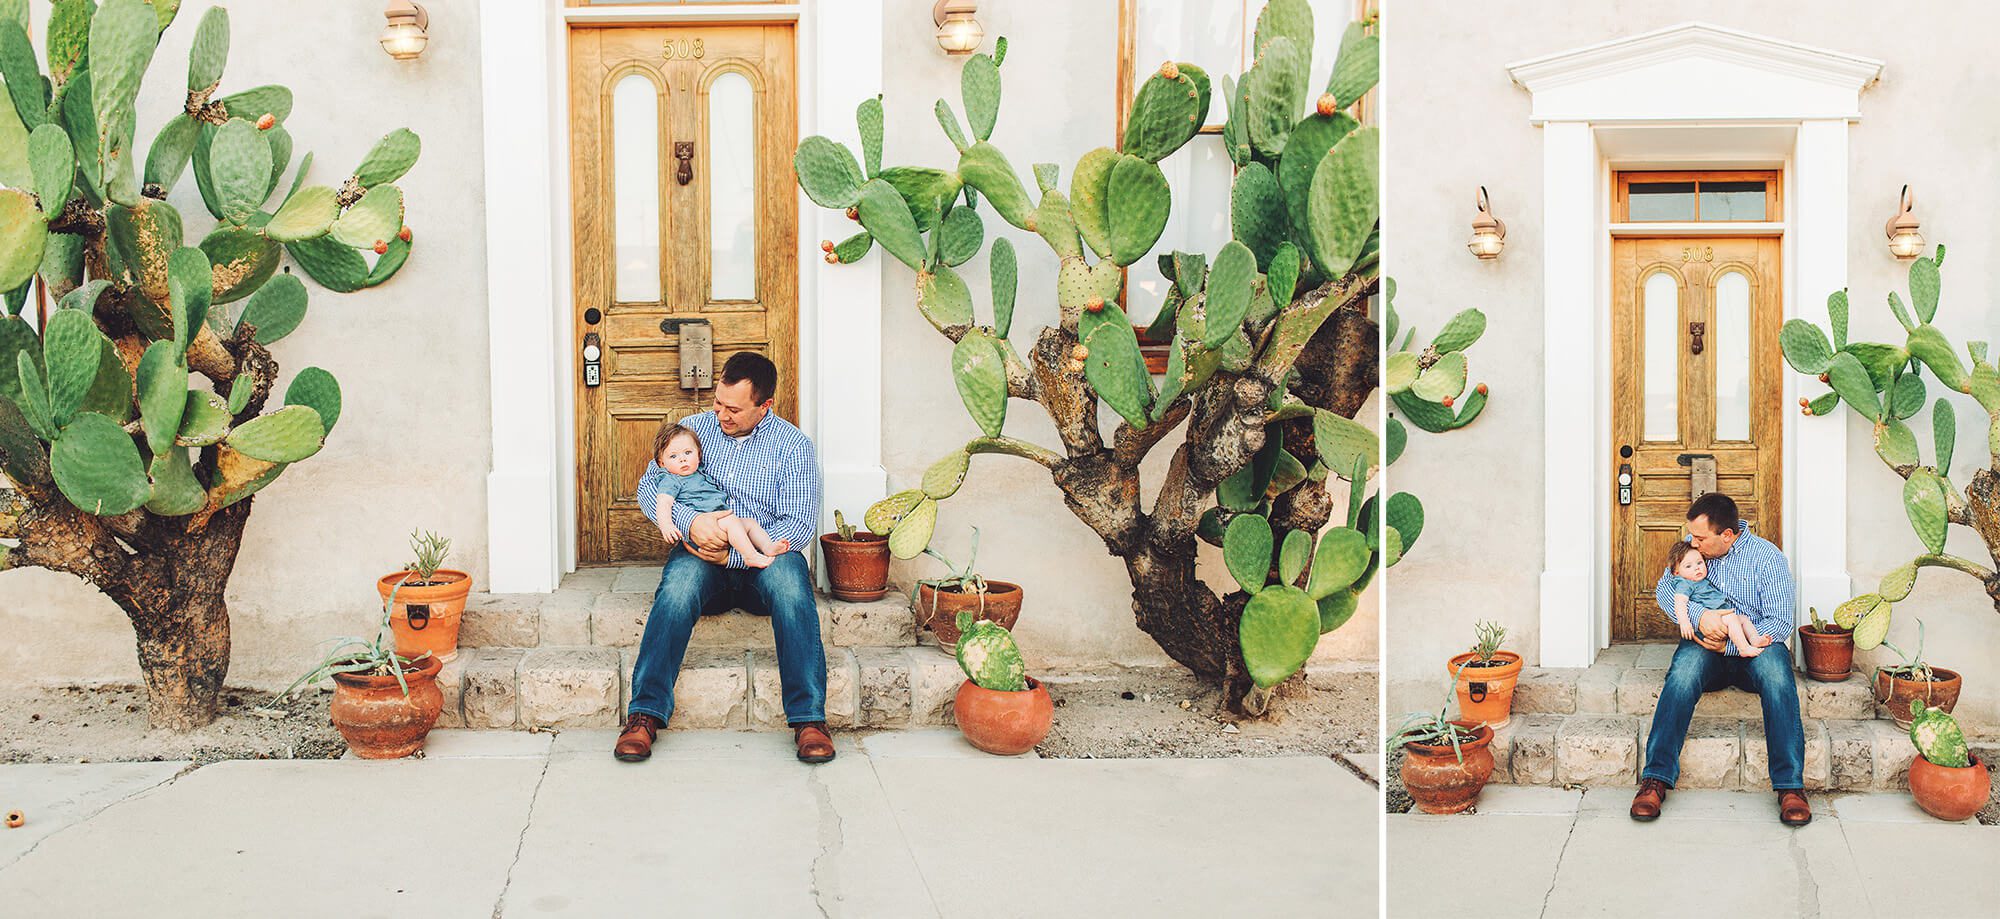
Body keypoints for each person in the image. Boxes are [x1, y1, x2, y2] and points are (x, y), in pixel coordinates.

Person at [614, 352, 831, 765]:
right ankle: (644, 713)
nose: (721, 415)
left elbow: (800, 524)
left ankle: (808, 719)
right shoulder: (692, 430)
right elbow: (649, 487)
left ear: (765, 405)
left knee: (790, 583)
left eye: (733, 409)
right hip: (700, 559)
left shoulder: (794, 446)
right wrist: (691, 524)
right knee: (678, 589)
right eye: (718, 403)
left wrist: (733, 552)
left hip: (762, 560)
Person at [1631, 492, 1810, 826]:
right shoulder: (1691, 551)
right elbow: (1666, 590)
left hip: (1753, 647)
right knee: (1683, 672)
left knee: (1776, 673)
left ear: (1727, 535)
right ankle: (1655, 777)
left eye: (1700, 537)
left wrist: (1729, 644)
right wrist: (1700, 618)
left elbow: (1781, 620)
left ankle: (1790, 786)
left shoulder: (1767, 558)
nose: (1692, 543)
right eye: (1692, 536)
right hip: (1704, 647)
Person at [647, 421, 791, 568]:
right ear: (661, 463)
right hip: (703, 531)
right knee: (732, 521)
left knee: (749, 523)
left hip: (721, 522)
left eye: (688, 453)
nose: (682, 459)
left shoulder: (698, 473)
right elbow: (663, 502)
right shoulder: (670, 479)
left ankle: (767, 547)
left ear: (698, 454)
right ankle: (750, 556)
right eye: (673, 456)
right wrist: (666, 525)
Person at [1664, 539, 1772, 658]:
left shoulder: (1700, 581)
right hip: (1710, 624)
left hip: (1721, 617)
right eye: (1688, 566)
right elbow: (1680, 602)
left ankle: (1754, 639)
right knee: (1732, 618)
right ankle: (1743, 648)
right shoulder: (1684, 583)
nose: (1696, 568)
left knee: (1743, 618)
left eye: (1699, 563)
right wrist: (1684, 623)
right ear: (1676, 572)